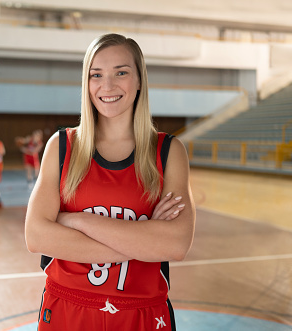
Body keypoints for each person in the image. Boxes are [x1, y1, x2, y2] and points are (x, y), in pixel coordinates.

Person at [24, 33, 196, 330]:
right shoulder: (62, 146)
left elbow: (176, 244)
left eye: (121, 72)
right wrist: (146, 239)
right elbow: (36, 237)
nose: (108, 85)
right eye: (96, 75)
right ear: (86, 83)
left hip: (142, 314)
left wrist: (77, 221)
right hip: (67, 310)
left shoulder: (168, 152)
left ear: (140, 80)